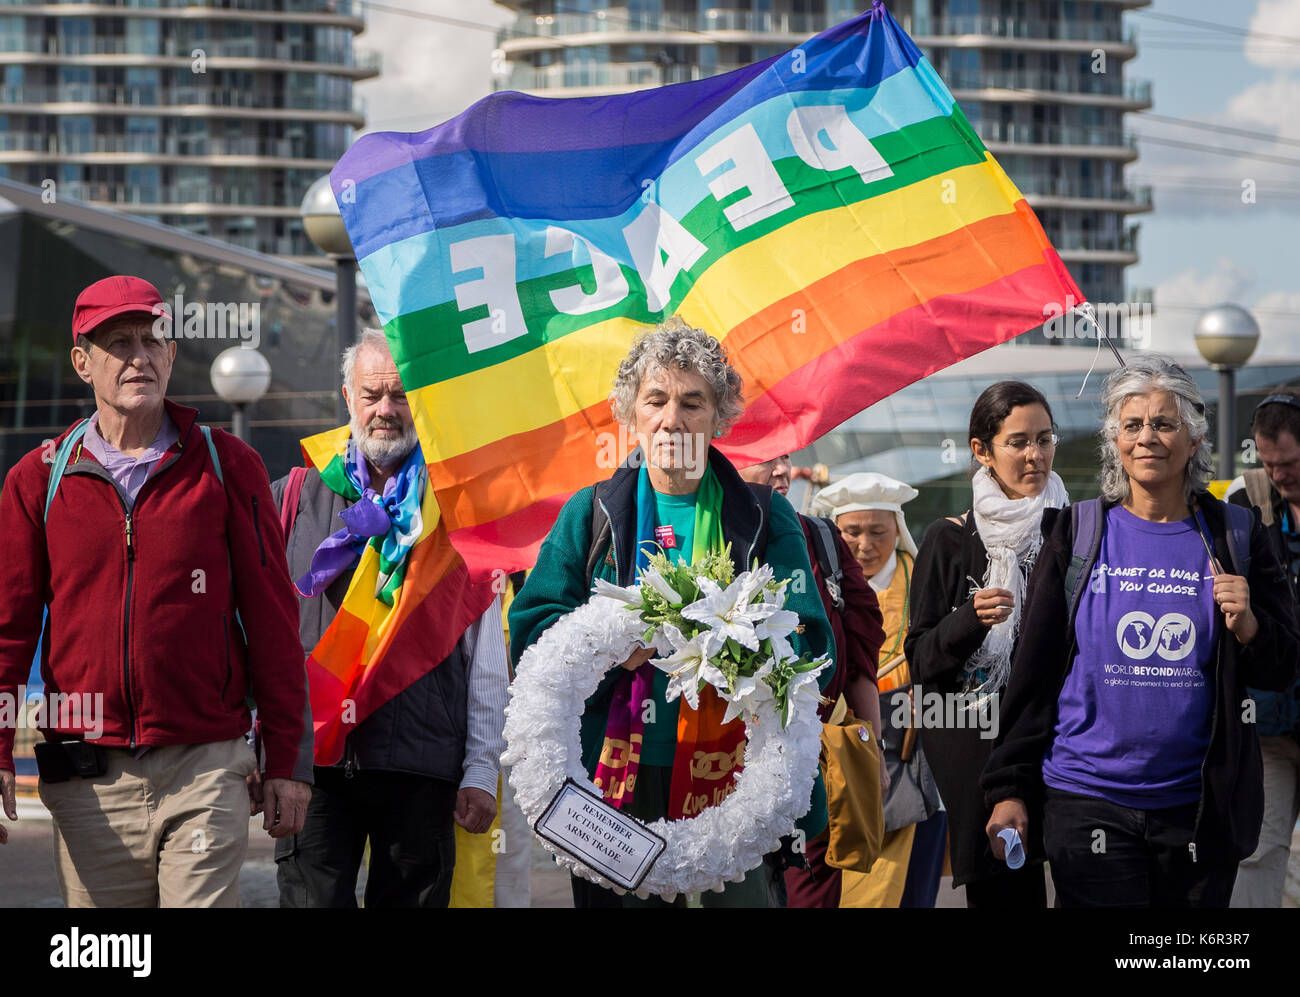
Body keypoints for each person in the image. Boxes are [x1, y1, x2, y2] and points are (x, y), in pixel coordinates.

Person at [0, 275, 311, 906]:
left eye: (152, 339)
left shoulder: (228, 465)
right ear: (83, 364)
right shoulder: (37, 479)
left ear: (171, 355)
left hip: (207, 766)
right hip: (86, 774)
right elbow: (8, 629)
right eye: (118, 343)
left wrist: (286, 763)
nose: (139, 356)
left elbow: (275, 622)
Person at [507, 317, 833, 908]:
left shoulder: (764, 516)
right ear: (631, 414)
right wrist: (607, 646)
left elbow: (812, 644)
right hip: (611, 777)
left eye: (692, 402)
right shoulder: (591, 514)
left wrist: (737, 653)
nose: (671, 418)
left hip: (735, 778)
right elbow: (532, 627)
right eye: (655, 399)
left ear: (719, 416)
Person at [984, 355, 1300, 908]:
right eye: (1132, 425)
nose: (1147, 438)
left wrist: (1250, 625)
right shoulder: (1077, 532)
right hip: (1086, 801)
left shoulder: (1235, 534)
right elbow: (1032, 675)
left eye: (1164, 423)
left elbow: (1284, 666)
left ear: (1194, 439)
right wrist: (1008, 788)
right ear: (1115, 439)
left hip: (1198, 809)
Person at [272, 328, 509, 908]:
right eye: (372, 393)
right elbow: (262, 635)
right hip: (315, 762)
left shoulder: (460, 506)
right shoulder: (293, 496)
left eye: (400, 396)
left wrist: (482, 769)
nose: (385, 410)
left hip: (421, 764)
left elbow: (485, 653)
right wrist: (270, 749)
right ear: (347, 397)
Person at [907, 381, 1067, 907]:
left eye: (1045, 439)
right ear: (981, 450)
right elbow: (920, 658)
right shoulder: (948, 539)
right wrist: (969, 620)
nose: (1035, 455)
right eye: (1018, 441)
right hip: (977, 744)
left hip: (1063, 738)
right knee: (1005, 894)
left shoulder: (1078, 531)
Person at [737, 455, 887, 908]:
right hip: (725, 768)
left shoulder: (822, 539)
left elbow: (859, 660)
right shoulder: (707, 538)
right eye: (766, 459)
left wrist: (871, 749)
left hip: (817, 763)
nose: (782, 471)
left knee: (812, 894)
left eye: (787, 458)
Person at [810, 472, 946, 907]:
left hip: (911, 754)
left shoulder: (925, 582)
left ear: (898, 531)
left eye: (878, 532)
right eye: (851, 532)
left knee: (906, 887)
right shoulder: (822, 584)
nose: (865, 544)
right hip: (835, 747)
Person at [1224, 390, 1300, 907]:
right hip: (1269, 720)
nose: (1278, 474)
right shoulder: (1244, 503)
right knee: (1254, 852)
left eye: (1290, 462)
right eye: (1269, 463)